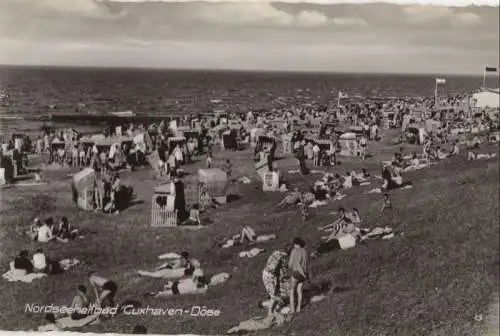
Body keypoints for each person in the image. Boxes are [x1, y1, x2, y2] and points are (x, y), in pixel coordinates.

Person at [262, 247, 289, 315]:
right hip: (270, 276)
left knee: (274, 294)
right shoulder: (282, 257)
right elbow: (281, 269)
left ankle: (274, 308)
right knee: (274, 295)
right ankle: (271, 312)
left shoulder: (275, 253)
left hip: (267, 274)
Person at [288, 237, 310, 314]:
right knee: (299, 291)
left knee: (291, 291)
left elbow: (290, 264)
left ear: (297, 244)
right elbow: (306, 264)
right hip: (303, 274)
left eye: (294, 244)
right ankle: (299, 308)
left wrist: (290, 266)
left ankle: (292, 309)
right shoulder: (304, 251)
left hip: (296, 272)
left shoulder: (294, 251)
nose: (293, 245)